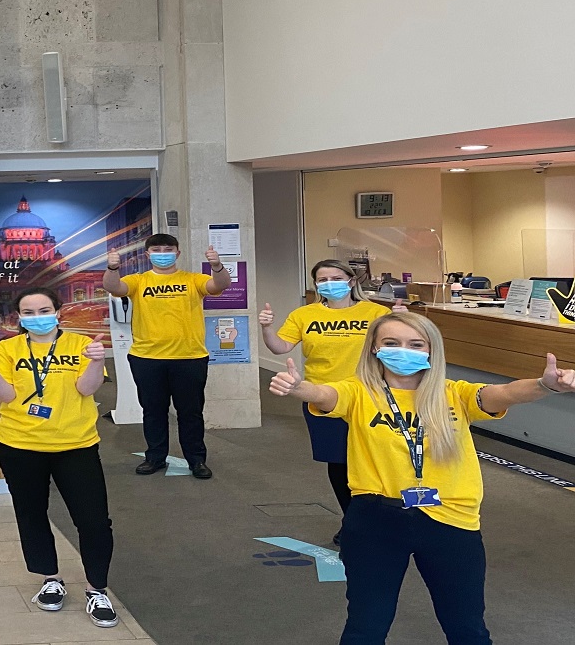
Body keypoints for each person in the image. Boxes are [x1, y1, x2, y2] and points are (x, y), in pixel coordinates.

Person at [270, 312, 575, 644]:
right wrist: (301, 388)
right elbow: (327, 396)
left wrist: (544, 385)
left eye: (416, 344)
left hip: (452, 519)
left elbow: (504, 393)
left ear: (431, 350)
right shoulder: (358, 391)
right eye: (391, 343)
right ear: (374, 348)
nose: (404, 350)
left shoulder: (453, 393)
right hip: (376, 519)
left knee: (467, 627)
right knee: (366, 626)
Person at [0, 287, 119, 628]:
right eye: (29, 312)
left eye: (43, 310)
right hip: (19, 444)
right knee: (31, 513)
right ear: (19, 317)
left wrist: (97, 361)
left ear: (58, 311)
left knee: (94, 520)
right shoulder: (8, 348)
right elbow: (6, 396)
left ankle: (97, 589)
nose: (36, 317)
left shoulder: (80, 344)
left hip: (76, 444)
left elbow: (87, 388)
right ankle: (50, 579)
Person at [259, 259, 404, 544]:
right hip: (322, 396)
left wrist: (402, 320)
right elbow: (280, 347)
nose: (329, 284)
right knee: (339, 463)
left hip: (371, 396)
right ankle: (352, 520)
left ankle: (375, 518)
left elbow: (398, 345)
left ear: (351, 281)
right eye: (322, 280)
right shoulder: (304, 314)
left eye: (335, 278)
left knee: (374, 460)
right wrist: (267, 328)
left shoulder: (376, 313)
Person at [103, 233, 230, 479]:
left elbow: (220, 285)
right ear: (148, 255)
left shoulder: (193, 280)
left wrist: (217, 266)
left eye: (168, 249)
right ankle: (155, 457)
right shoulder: (138, 281)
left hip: (190, 357)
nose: (163, 253)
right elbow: (113, 287)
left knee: (190, 412)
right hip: (147, 358)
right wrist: (113, 267)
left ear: (178, 253)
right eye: (157, 250)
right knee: (153, 410)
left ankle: (196, 460)